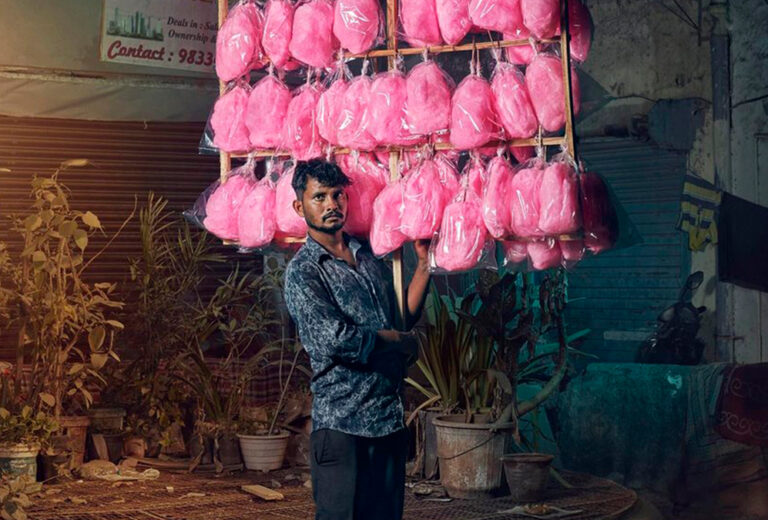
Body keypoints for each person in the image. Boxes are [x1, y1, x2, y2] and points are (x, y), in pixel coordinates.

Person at [284, 160, 431, 520]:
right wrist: (399, 341)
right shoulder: (304, 271)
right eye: (319, 197)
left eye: (337, 195)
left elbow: (399, 316)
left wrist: (425, 265)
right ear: (299, 207)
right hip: (342, 426)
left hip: (386, 421)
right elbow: (336, 340)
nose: (331, 204)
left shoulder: (367, 257)